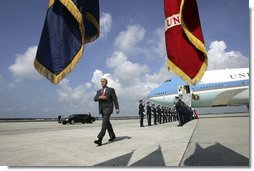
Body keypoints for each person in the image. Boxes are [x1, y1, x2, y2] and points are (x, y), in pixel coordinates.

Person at [94, 78, 119, 146]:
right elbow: (95, 98)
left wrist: (117, 108)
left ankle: (100, 139)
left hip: (108, 108)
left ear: (106, 82)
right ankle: (112, 135)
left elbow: (115, 99)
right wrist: (100, 97)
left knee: (104, 123)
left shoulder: (111, 90)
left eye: (104, 81)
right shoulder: (99, 91)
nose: (102, 82)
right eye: (101, 81)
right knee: (107, 123)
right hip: (102, 109)